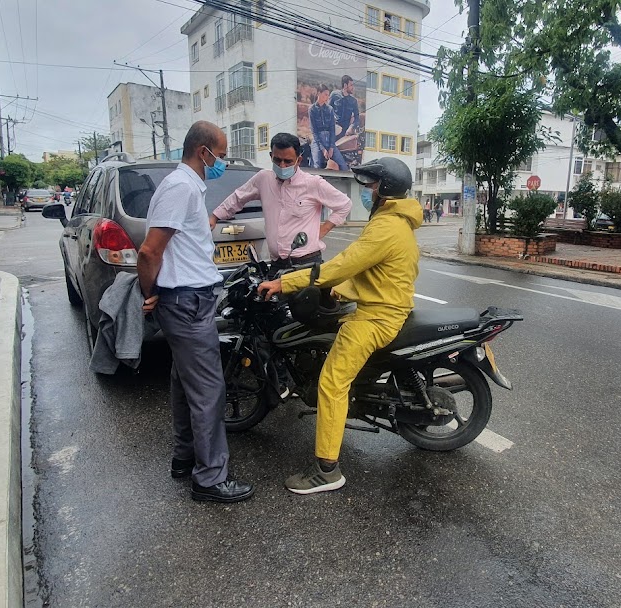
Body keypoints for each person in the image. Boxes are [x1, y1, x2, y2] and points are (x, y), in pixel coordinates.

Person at [257, 157, 421, 495]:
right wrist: (337, 289)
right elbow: (370, 271)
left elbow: (344, 264)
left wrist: (287, 282)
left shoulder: (386, 226)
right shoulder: (392, 220)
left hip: (377, 317)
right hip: (381, 305)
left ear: (385, 190)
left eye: (371, 186)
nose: (367, 192)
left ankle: (327, 471)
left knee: (332, 383)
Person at [136, 120, 254, 504]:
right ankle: (210, 478)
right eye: (219, 155)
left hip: (189, 298)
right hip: (185, 301)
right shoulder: (180, 187)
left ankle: (185, 458)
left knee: (185, 383)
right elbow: (149, 251)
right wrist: (149, 292)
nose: (220, 161)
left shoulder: (183, 186)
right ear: (202, 151)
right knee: (208, 389)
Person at [210, 132, 351, 266]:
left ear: (298, 160)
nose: (282, 166)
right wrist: (215, 217)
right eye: (277, 160)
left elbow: (344, 204)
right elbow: (238, 197)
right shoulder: (263, 179)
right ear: (271, 156)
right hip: (276, 264)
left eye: (288, 161)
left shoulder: (313, 183)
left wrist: (323, 230)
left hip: (306, 264)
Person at [308, 85, 347, 171]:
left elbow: (332, 129)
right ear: (319, 93)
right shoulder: (312, 109)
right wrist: (322, 149)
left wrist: (331, 147)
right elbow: (314, 131)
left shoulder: (330, 109)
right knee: (316, 166)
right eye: (325, 94)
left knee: (343, 166)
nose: (327, 97)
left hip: (329, 140)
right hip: (318, 141)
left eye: (328, 95)